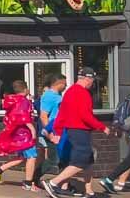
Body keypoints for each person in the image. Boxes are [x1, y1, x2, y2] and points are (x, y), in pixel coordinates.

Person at [44, 69, 107, 198]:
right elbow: (85, 115)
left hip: (72, 130)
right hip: (80, 130)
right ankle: (53, 183)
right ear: (87, 79)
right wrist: (102, 127)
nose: (93, 83)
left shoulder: (70, 91)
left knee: (88, 160)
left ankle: (89, 192)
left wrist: (58, 131)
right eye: (93, 80)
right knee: (80, 161)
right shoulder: (83, 93)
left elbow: (62, 113)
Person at [0, 78, 41, 189]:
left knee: (22, 157)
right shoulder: (23, 101)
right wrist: (32, 130)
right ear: (26, 89)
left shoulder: (15, 100)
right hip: (24, 134)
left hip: (17, 132)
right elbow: (23, 116)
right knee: (32, 157)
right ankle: (28, 183)